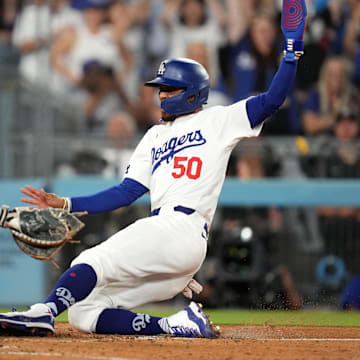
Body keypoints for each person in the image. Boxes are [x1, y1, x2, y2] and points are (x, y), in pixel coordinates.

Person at [0, 0, 307, 338]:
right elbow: (126, 192)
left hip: (181, 228)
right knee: (84, 312)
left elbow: (272, 99)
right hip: (170, 241)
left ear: (191, 94)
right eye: (160, 89)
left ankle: (43, 312)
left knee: (91, 261)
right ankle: (175, 324)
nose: (160, 95)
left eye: (168, 88)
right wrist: (66, 204)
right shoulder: (154, 135)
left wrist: (291, 51)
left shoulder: (218, 119)